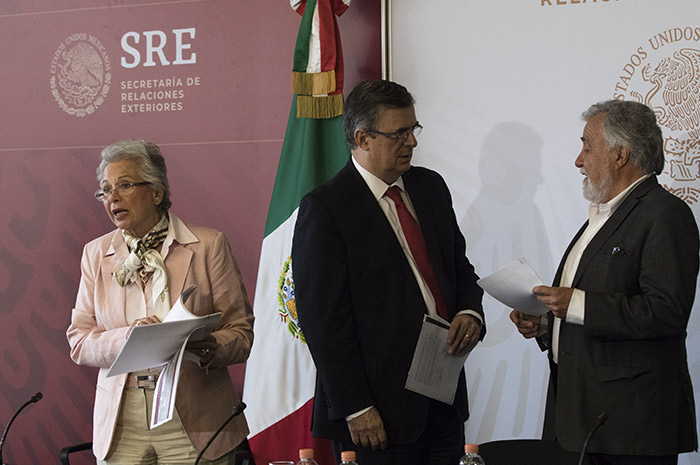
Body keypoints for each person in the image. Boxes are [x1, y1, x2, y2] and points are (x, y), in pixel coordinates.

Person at [292, 80, 485, 465]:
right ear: (362, 138)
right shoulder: (327, 208)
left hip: (443, 401)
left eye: (414, 129)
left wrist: (470, 312)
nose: (411, 142)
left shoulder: (430, 187)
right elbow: (323, 321)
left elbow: (459, 268)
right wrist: (356, 407)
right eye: (399, 133)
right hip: (377, 415)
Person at [510, 100, 699, 465]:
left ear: (620, 155)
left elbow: (667, 312)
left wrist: (576, 304)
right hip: (580, 420)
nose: (578, 160)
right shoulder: (603, 216)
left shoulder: (665, 214)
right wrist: (547, 324)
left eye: (587, 147)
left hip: (630, 431)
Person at [66, 140, 254, 464]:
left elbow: (241, 333)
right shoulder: (95, 254)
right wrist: (129, 337)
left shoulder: (209, 245)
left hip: (194, 418)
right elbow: (79, 342)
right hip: (123, 421)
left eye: (125, 185)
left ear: (156, 192)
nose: (113, 197)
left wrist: (210, 347)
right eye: (106, 190)